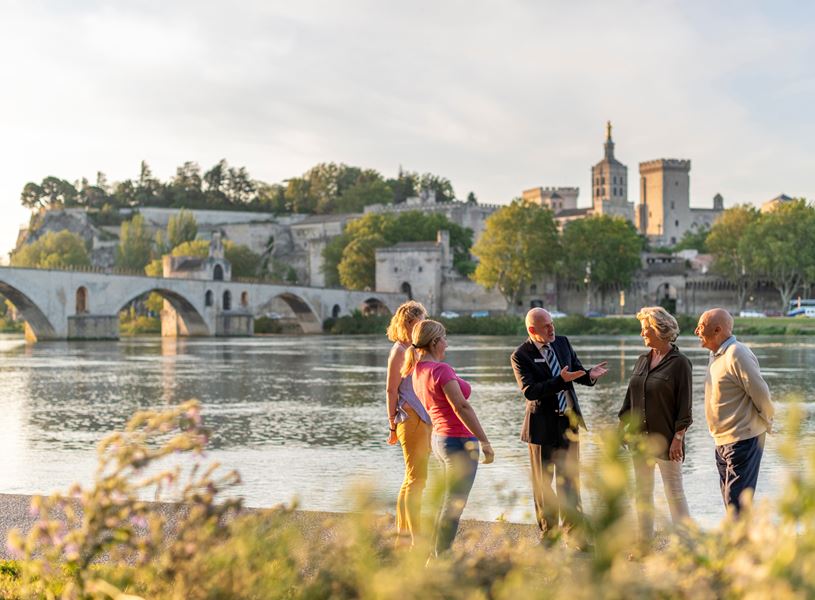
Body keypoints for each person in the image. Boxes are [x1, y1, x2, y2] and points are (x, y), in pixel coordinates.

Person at [510, 307, 608, 540]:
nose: (552, 329)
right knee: (544, 485)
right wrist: (558, 381)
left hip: (568, 425)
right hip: (540, 429)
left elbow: (575, 372)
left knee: (571, 482)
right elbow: (530, 391)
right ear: (533, 330)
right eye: (546, 326)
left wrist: (589, 375)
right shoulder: (520, 355)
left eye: (552, 323)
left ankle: (576, 535)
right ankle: (549, 535)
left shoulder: (562, 343)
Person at [402, 319, 494, 556]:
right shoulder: (440, 370)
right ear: (434, 342)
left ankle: (434, 553)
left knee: (445, 502)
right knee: (454, 505)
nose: (446, 343)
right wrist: (485, 442)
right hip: (458, 442)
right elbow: (461, 407)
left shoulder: (417, 370)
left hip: (440, 440)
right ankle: (440, 558)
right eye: (444, 338)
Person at [618, 306, 693, 545]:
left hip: (667, 439)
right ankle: (644, 546)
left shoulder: (680, 363)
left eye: (645, 330)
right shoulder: (642, 360)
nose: (642, 335)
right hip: (639, 439)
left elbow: (685, 406)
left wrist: (678, 438)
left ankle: (687, 548)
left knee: (674, 493)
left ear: (660, 330)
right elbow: (631, 396)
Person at [695, 308, 774, 513]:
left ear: (718, 330)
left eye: (701, 327)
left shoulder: (736, 353)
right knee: (730, 499)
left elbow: (760, 392)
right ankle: (740, 542)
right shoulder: (716, 355)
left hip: (743, 439)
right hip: (722, 440)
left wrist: (767, 421)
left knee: (736, 502)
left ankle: (740, 544)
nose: (696, 331)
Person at [385, 301, 432, 547]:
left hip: (420, 418)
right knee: (417, 479)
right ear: (409, 324)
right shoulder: (400, 350)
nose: (424, 325)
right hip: (410, 418)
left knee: (411, 478)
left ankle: (403, 535)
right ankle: (414, 536)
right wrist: (392, 425)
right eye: (421, 321)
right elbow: (391, 390)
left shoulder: (413, 349)